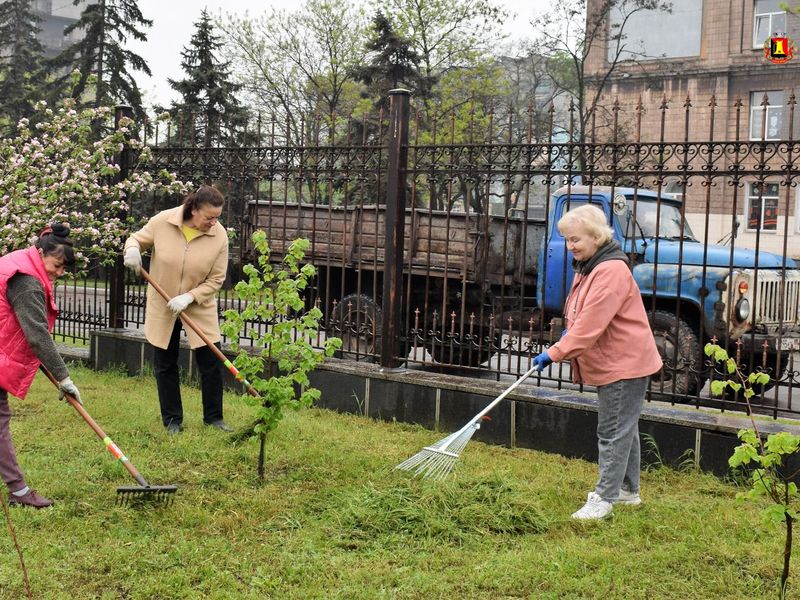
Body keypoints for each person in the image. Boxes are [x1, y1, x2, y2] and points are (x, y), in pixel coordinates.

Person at [532, 204, 662, 521]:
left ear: (595, 235)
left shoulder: (610, 271)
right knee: (624, 429)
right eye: (566, 239)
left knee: (612, 431)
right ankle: (628, 492)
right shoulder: (591, 265)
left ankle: (603, 499)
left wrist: (554, 352)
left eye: (575, 239)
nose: (570, 245)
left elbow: (590, 329)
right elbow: (581, 314)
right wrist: (569, 327)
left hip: (624, 363)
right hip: (619, 360)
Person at [123, 185, 232, 434]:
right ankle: (172, 420)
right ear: (194, 209)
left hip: (198, 304)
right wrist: (131, 250)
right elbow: (136, 239)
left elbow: (216, 280)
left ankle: (214, 419)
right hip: (163, 302)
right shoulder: (163, 221)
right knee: (165, 362)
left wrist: (190, 297)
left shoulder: (220, 236)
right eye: (209, 217)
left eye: (217, 217)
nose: (213, 222)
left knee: (211, 362)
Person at [0, 224, 82, 508]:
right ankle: (19, 492)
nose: (60, 272)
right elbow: (36, 334)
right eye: (58, 265)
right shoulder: (27, 281)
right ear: (42, 252)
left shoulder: (19, 260)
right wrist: (64, 377)